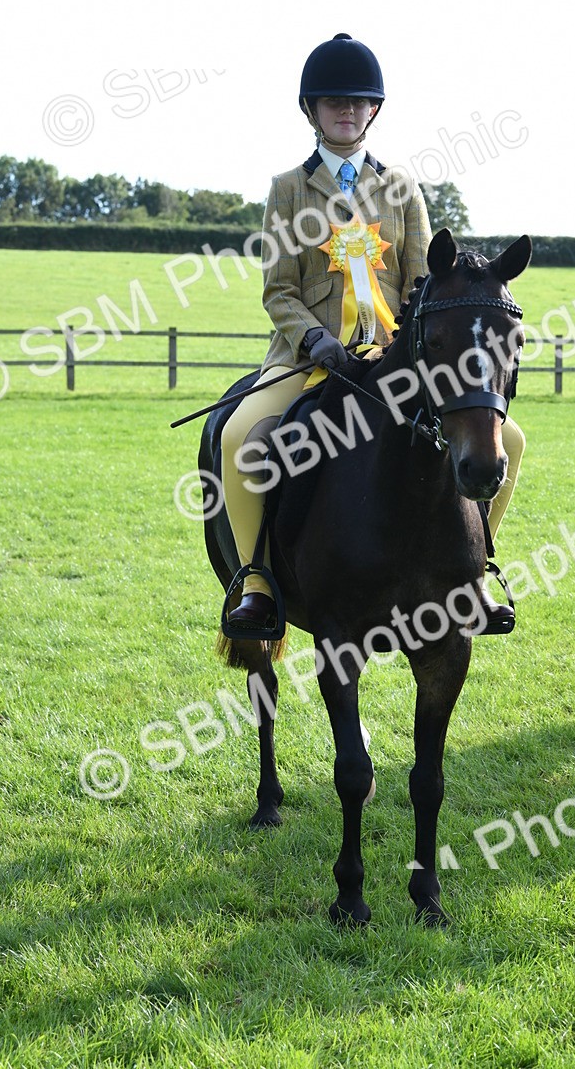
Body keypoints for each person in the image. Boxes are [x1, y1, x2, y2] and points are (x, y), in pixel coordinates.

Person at [220, 33, 524, 634]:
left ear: (374, 110)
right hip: (309, 360)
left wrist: (405, 349)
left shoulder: (403, 189)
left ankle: (478, 569)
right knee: (239, 438)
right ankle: (255, 583)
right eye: (334, 101)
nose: (347, 111)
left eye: (358, 102)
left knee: (508, 441)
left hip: (396, 362)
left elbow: (424, 283)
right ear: (311, 110)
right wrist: (315, 341)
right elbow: (278, 289)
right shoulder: (287, 189)